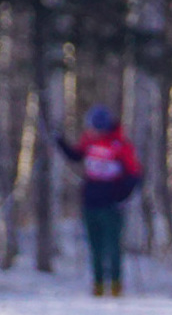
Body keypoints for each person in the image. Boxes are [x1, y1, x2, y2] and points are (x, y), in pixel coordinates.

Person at [56, 105, 141, 296]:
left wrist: (123, 195)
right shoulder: (89, 142)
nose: (92, 132)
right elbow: (76, 155)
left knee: (112, 246)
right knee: (95, 246)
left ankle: (116, 284)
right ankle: (98, 283)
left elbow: (134, 174)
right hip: (91, 200)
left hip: (111, 204)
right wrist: (60, 143)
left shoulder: (120, 145)